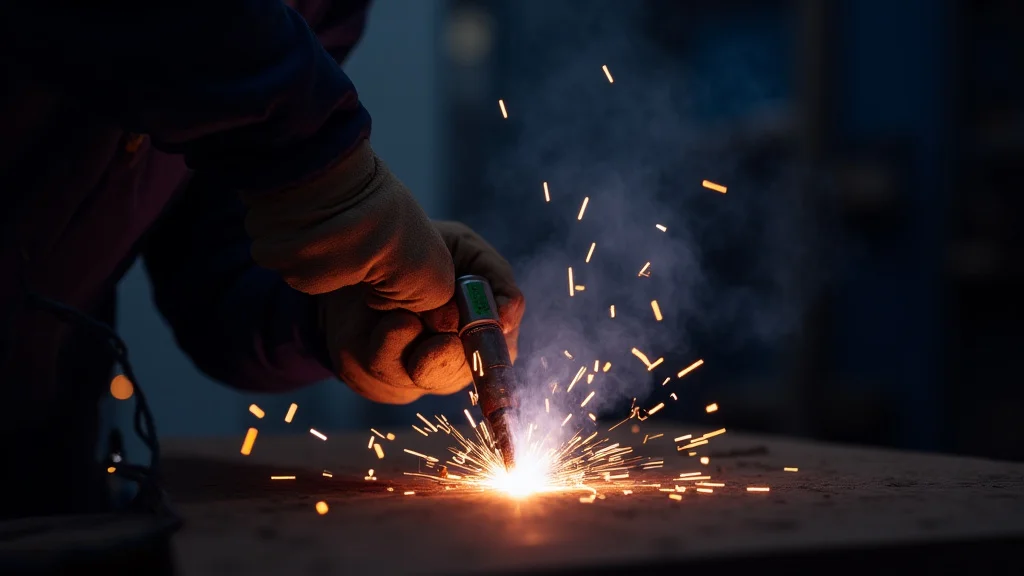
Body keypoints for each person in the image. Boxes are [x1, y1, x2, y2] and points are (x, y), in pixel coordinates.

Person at [0, 0, 524, 520]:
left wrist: (328, 316)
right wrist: (314, 152)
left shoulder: (326, 9)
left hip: (39, 452)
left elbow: (217, 262)